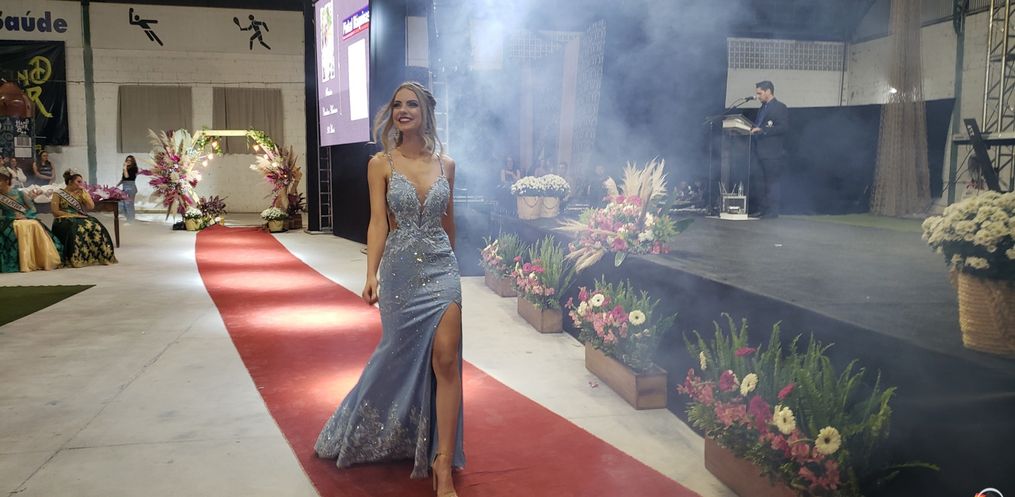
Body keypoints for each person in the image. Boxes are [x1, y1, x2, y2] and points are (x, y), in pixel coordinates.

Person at [315, 82, 464, 497]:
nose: (403, 110)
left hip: (442, 268)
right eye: (397, 104)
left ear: (426, 112)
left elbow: (449, 222)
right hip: (400, 271)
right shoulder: (380, 163)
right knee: (395, 357)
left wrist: (456, 272)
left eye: (411, 104)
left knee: (446, 358)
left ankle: (442, 462)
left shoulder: (447, 165)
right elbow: (378, 222)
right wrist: (371, 274)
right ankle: (383, 426)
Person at [51, 170, 117, 268]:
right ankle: (77, 258)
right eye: (78, 181)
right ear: (70, 181)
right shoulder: (58, 194)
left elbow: (91, 207)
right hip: (63, 219)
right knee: (76, 228)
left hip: (80, 217)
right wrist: (71, 215)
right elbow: (55, 211)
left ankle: (96, 256)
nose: (81, 184)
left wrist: (85, 194)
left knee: (96, 226)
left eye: (81, 182)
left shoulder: (80, 193)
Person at [0, 171, 62, 272]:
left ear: (7, 181)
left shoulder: (20, 193)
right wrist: (10, 217)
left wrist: (26, 216)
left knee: (34, 224)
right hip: (9, 221)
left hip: (26, 218)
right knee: (19, 226)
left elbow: (32, 209)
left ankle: (41, 259)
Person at [749, 80, 789, 218]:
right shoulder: (762, 108)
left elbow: (783, 127)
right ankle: (763, 208)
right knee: (759, 181)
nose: (758, 96)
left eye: (760, 93)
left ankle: (773, 210)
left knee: (771, 182)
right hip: (759, 150)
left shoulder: (780, 107)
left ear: (768, 91)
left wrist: (763, 130)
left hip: (772, 152)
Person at [116, 155, 140, 222]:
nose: (128, 161)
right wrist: (117, 185)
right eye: (127, 160)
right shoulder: (126, 168)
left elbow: (127, 176)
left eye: (130, 160)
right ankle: (129, 219)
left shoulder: (134, 168)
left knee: (129, 205)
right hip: (125, 186)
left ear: (133, 162)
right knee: (121, 204)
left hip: (130, 187)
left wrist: (125, 168)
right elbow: (123, 178)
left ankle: (131, 221)